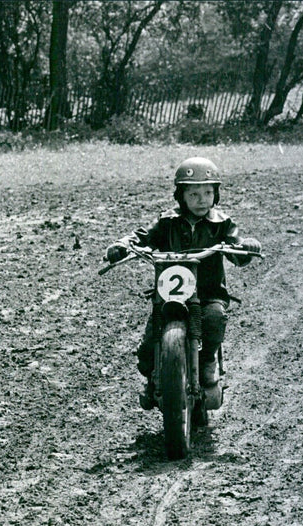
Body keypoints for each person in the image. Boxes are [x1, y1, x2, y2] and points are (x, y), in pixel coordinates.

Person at [104, 156, 261, 410]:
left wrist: (246, 247)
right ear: (181, 196)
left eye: (208, 192)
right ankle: (154, 380)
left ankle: (208, 360)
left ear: (216, 194)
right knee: (147, 348)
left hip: (208, 293)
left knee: (214, 318)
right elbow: (143, 236)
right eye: (194, 194)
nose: (202, 200)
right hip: (169, 296)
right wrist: (123, 246)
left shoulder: (222, 223)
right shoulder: (167, 221)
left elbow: (236, 247)